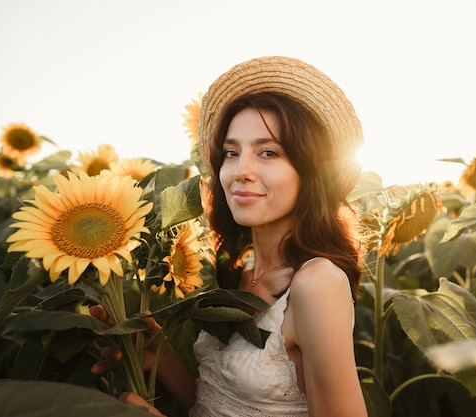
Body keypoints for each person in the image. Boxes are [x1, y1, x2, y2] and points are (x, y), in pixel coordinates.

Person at [93, 56, 368, 417]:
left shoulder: (316, 283)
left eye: (268, 152)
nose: (241, 171)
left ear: (310, 171)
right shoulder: (243, 272)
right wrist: (162, 358)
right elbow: (224, 405)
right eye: (231, 153)